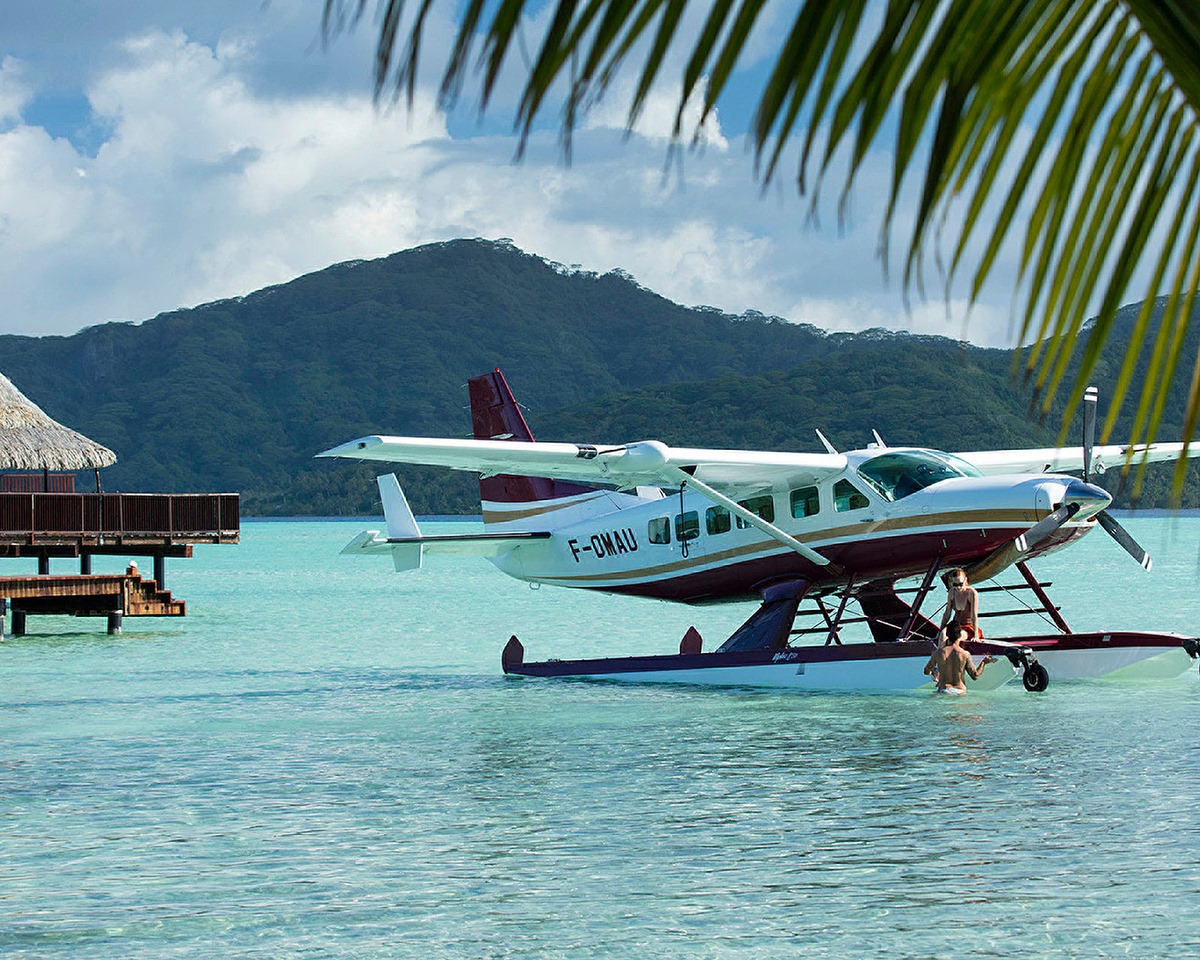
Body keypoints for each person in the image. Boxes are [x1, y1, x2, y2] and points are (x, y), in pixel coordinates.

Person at [924, 625, 995, 694]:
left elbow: (926, 671)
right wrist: (984, 662)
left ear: (947, 635)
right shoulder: (965, 654)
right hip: (959, 691)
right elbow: (975, 676)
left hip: (943, 689)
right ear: (960, 635)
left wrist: (935, 672)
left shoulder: (938, 653)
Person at [940, 566, 981, 643]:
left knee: (958, 636)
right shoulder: (952, 592)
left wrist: (976, 636)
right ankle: (940, 654)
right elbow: (947, 613)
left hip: (968, 626)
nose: (958, 587)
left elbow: (974, 615)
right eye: (955, 584)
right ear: (952, 583)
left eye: (961, 584)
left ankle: (956, 653)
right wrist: (940, 629)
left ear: (965, 580)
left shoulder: (971, 593)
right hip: (955, 624)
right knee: (942, 636)